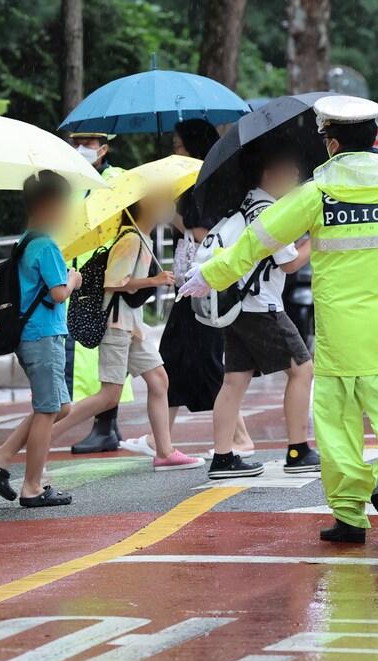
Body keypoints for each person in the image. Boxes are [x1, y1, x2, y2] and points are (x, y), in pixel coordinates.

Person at [180, 96, 378, 549]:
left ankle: (350, 518)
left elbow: (259, 238)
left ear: (331, 143)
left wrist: (211, 273)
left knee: (337, 429)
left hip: (338, 339)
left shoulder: (318, 193)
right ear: (374, 138)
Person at [122, 120, 251, 459]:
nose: (174, 151)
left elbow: (200, 233)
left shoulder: (207, 181)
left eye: (179, 146)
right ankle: (158, 438)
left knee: (204, 359)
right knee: (174, 359)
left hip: (204, 282)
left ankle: (240, 437)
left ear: (193, 146)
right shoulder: (191, 182)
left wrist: (171, 215)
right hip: (191, 283)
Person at [47, 194, 203, 471]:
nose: (168, 207)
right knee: (109, 395)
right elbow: (114, 282)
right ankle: (44, 437)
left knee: (158, 381)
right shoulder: (131, 238)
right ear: (145, 205)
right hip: (117, 326)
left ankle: (164, 452)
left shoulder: (143, 237)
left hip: (133, 327)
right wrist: (154, 280)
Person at [206, 145, 321, 479]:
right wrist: (315, 236)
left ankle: (223, 457)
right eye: (290, 169)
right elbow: (290, 263)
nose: (297, 175)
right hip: (262, 306)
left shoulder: (245, 205)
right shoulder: (267, 210)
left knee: (234, 381)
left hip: (238, 305)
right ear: (270, 174)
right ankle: (298, 450)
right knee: (302, 370)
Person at [0, 172, 82, 507]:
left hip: (29, 335)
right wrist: (74, 280)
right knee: (49, 410)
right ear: (49, 205)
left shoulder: (25, 241)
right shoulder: (47, 245)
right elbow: (57, 293)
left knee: (58, 407)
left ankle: (0, 456)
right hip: (44, 334)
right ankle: (33, 486)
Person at [65, 131, 127, 455]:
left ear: (103, 148)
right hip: (81, 278)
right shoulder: (75, 181)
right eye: (77, 143)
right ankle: (108, 426)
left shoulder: (114, 179)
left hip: (106, 277)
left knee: (100, 355)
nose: (80, 149)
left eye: (87, 144)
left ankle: (105, 427)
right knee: (93, 354)